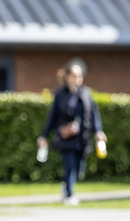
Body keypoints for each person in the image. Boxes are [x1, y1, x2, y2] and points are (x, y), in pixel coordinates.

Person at [37, 61, 107, 205]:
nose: (77, 78)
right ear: (68, 77)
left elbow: (94, 115)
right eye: (74, 75)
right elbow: (53, 117)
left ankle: (65, 185)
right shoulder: (60, 95)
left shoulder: (86, 93)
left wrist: (99, 132)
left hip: (82, 138)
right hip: (66, 138)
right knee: (70, 166)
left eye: (80, 75)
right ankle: (69, 195)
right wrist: (44, 136)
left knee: (78, 169)